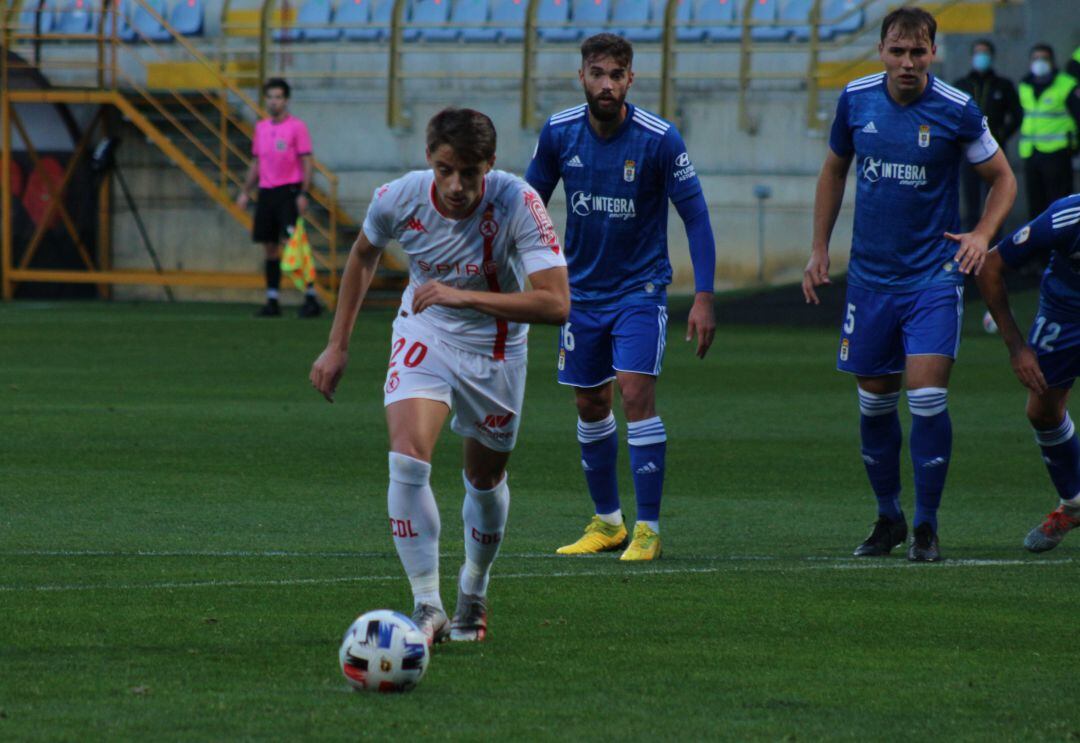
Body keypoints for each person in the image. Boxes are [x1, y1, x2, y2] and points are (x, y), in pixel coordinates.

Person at [309, 108, 569, 645]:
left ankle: (474, 587)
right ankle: (427, 605)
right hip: (424, 329)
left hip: (496, 348)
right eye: (446, 169)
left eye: (469, 173)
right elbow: (363, 255)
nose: (456, 186)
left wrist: (461, 293)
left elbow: (556, 303)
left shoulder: (519, 201)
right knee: (407, 457)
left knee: (485, 479)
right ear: (429, 158)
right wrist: (337, 345)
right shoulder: (398, 198)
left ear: (489, 166)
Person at [802, 6, 1016, 561]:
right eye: (897, 51)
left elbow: (1003, 179)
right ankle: (888, 517)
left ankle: (926, 524)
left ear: (933, 54)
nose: (907, 63)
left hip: (933, 277)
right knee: (874, 405)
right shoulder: (855, 100)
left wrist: (982, 234)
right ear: (881, 51)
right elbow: (833, 170)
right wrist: (820, 247)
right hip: (871, 279)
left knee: (925, 395)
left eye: (918, 52)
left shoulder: (956, 109)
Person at [525, 33, 716, 562]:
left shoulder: (659, 139)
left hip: (641, 288)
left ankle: (649, 528)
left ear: (631, 79)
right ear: (581, 76)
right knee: (590, 402)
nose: (606, 84)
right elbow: (530, 205)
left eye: (616, 75)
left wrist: (703, 295)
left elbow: (695, 216)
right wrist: (525, 269)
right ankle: (609, 522)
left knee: (634, 394)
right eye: (597, 74)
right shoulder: (560, 133)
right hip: (580, 292)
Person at [976, 193, 1080, 552]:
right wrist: (1017, 347)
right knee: (1042, 412)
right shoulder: (1066, 217)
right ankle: (1074, 503)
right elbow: (990, 267)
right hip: (1065, 316)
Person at [237, 77, 320, 318]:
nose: (274, 102)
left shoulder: (297, 127)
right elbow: (256, 162)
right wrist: (245, 191)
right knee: (270, 247)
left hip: (288, 192)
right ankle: (272, 299)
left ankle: (310, 297)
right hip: (266, 192)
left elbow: (306, 161)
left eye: (278, 97)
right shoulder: (261, 127)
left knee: (295, 245)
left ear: (286, 100)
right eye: (270, 97)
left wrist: (304, 193)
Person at [953, 39, 1022, 232]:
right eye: (977, 53)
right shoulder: (962, 84)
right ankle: (967, 248)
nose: (981, 57)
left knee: (995, 200)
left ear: (991, 56)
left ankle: (994, 247)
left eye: (984, 53)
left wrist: (1001, 135)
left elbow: (1017, 115)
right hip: (967, 153)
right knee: (970, 203)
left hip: (995, 151)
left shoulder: (1004, 85)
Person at [1018, 45, 1080, 220]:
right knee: (1035, 206)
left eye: (1044, 58)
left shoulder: (1066, 85)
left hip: (1058, 153)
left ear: (1052, 61)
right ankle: (1036, 244)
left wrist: (1074, 147)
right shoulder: (1025, 85)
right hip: (1031, 152)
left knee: (1059, 206)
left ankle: (1059, 246)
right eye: (1036, 58)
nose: (1040, 62)